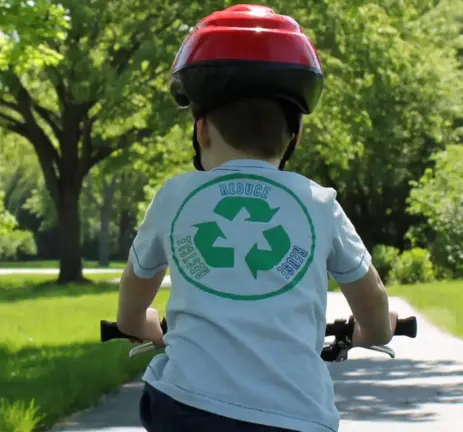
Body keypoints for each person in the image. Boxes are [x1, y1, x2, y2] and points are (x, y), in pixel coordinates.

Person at [114, 5, 397, 432]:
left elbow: (134, 290)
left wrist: (141, 324)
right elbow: (371, 297)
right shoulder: (318, 203)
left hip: (188, 410)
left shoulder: (174, 197)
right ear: (296, 136)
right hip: (296, 418)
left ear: (202, 131)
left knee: (163, 399)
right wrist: (374, 332)